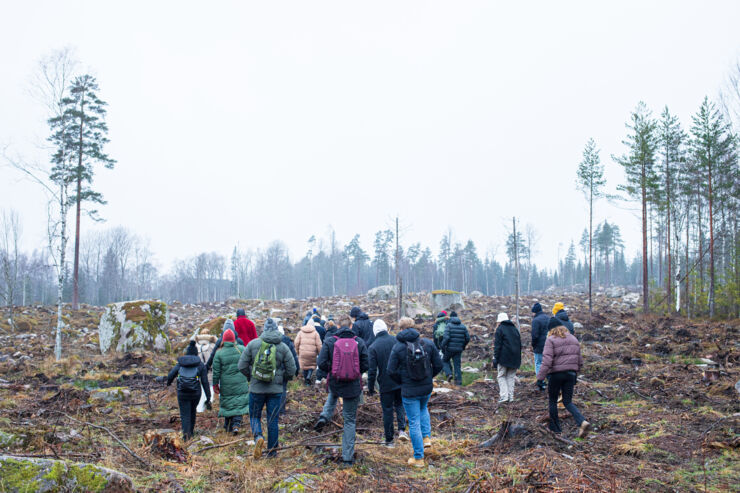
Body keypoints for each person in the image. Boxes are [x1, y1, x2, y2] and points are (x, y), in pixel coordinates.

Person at [387, 317, 443, 468]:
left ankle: (418, 458)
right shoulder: (428, 344)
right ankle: (426, 439)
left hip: (409, 390)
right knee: (423, 409)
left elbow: (390, 370)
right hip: (426, 388)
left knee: (413, 421)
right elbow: (438, 364)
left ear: (401, 329)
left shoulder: (398, 347)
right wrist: (429, 377)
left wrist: (402, 381)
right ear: (413, 327)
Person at [238, 318, 297, 459]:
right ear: (276, 330)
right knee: (273, 420)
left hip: (256, 389)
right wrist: (283, 379)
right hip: (275, 391)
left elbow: (241, 366)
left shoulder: (253, 344)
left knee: (254, 416)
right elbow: (292, 369)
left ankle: (258, 436)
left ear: (263, 329)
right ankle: (272, 452)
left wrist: (251, 377)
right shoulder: (283, 347)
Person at [316, 315, 369, 466]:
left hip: (336, 382)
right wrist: (355, 372)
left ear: (338, 326)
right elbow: (366, 364)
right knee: (350, 421)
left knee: (333, 393)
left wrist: (333, 371)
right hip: (353, 386)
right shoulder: (359, 342)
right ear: (351, 326)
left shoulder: (330, 341)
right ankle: (347, 458)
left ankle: (325, 415)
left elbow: (321, 362)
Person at [536, 318, 590, 438]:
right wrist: (575, 373)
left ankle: (556, 429)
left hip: (556, 375)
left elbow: (547, 361)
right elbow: (580, 361)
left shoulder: (551, 340)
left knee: (552, 400)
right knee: (567, 401)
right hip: (571, 374)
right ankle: (582, 421)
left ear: (551, 330)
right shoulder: (573, 339)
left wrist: (540, 378)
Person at [367, 319, 408, 447]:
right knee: (400, 404)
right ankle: (402, 430)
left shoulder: (373, 347)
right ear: (386, 328)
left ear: (375, 331)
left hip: (385, 383)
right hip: (399, 380)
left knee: (387, 410)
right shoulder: (396, 340)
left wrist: (371, 387)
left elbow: (372, 370)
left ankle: (389, 440)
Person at [167, 340, 211, 441]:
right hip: (196, 393)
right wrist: (208, 397)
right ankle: (190, 433)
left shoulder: (180, 364)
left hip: (182, 392)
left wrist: (168, 383)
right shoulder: (200, 365)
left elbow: (170, 375)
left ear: (187, 353)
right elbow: (205, 382)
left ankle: (186, 436)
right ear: (196, 354)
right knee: (192, 411)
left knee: (184, 414)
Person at [211, 329, 249, 435]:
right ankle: (236, 424)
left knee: (228, 403)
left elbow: (216, 371)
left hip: (226, 383)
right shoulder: (241, 349)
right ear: (234, 339)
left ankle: (228, 426)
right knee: (238, 402)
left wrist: (215, 384)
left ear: (223, 340)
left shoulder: (219, 353)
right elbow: (248, 363)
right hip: (241, 382)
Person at [492, 313, 521, 403]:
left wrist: (495, 358)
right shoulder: (515, 329)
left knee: (501, 376)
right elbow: (520, 345)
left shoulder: (500, 329)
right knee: (510, 377)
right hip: (515, 358)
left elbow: (497, 346)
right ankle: (510, 397)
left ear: (499, 321)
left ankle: (504, 396)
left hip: (503, 358)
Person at [440, 311, 470, 386]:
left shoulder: (448, 325)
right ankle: (458, 383)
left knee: (444, 360)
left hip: (449, 349)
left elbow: (446, 338)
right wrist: (463, 346)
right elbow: (468, 338)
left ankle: (449, 374)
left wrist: (442, 346)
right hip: (458, 349)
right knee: (457, 365)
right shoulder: (463, 326)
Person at [278, 325, 300, 416]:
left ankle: (273, 410)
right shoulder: (288, 342)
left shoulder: (271, 342)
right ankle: (282, 411)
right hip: (285, 371)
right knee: (283, 389)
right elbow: (294, 357)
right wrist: (296, 370)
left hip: (274, 371)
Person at [295, 320, 323, 385]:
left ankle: (306, 380)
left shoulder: (300, 332)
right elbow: (319, 345)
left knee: (304, 366)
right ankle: (309, 376)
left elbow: (296, 342)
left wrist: (298, 351)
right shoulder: (316, 333)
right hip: (312, 354)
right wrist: (320, 353)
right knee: (311, 366)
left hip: (302, 353)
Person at [531, 303, 550, 391]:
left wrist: (533, 345)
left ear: (535, 312)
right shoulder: (548, 318)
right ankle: (550, 382)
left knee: (538, 363)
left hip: (539, 347)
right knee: (548, 364)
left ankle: (540, 382)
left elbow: (534, 335)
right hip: (549, 346)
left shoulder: (536, 320)